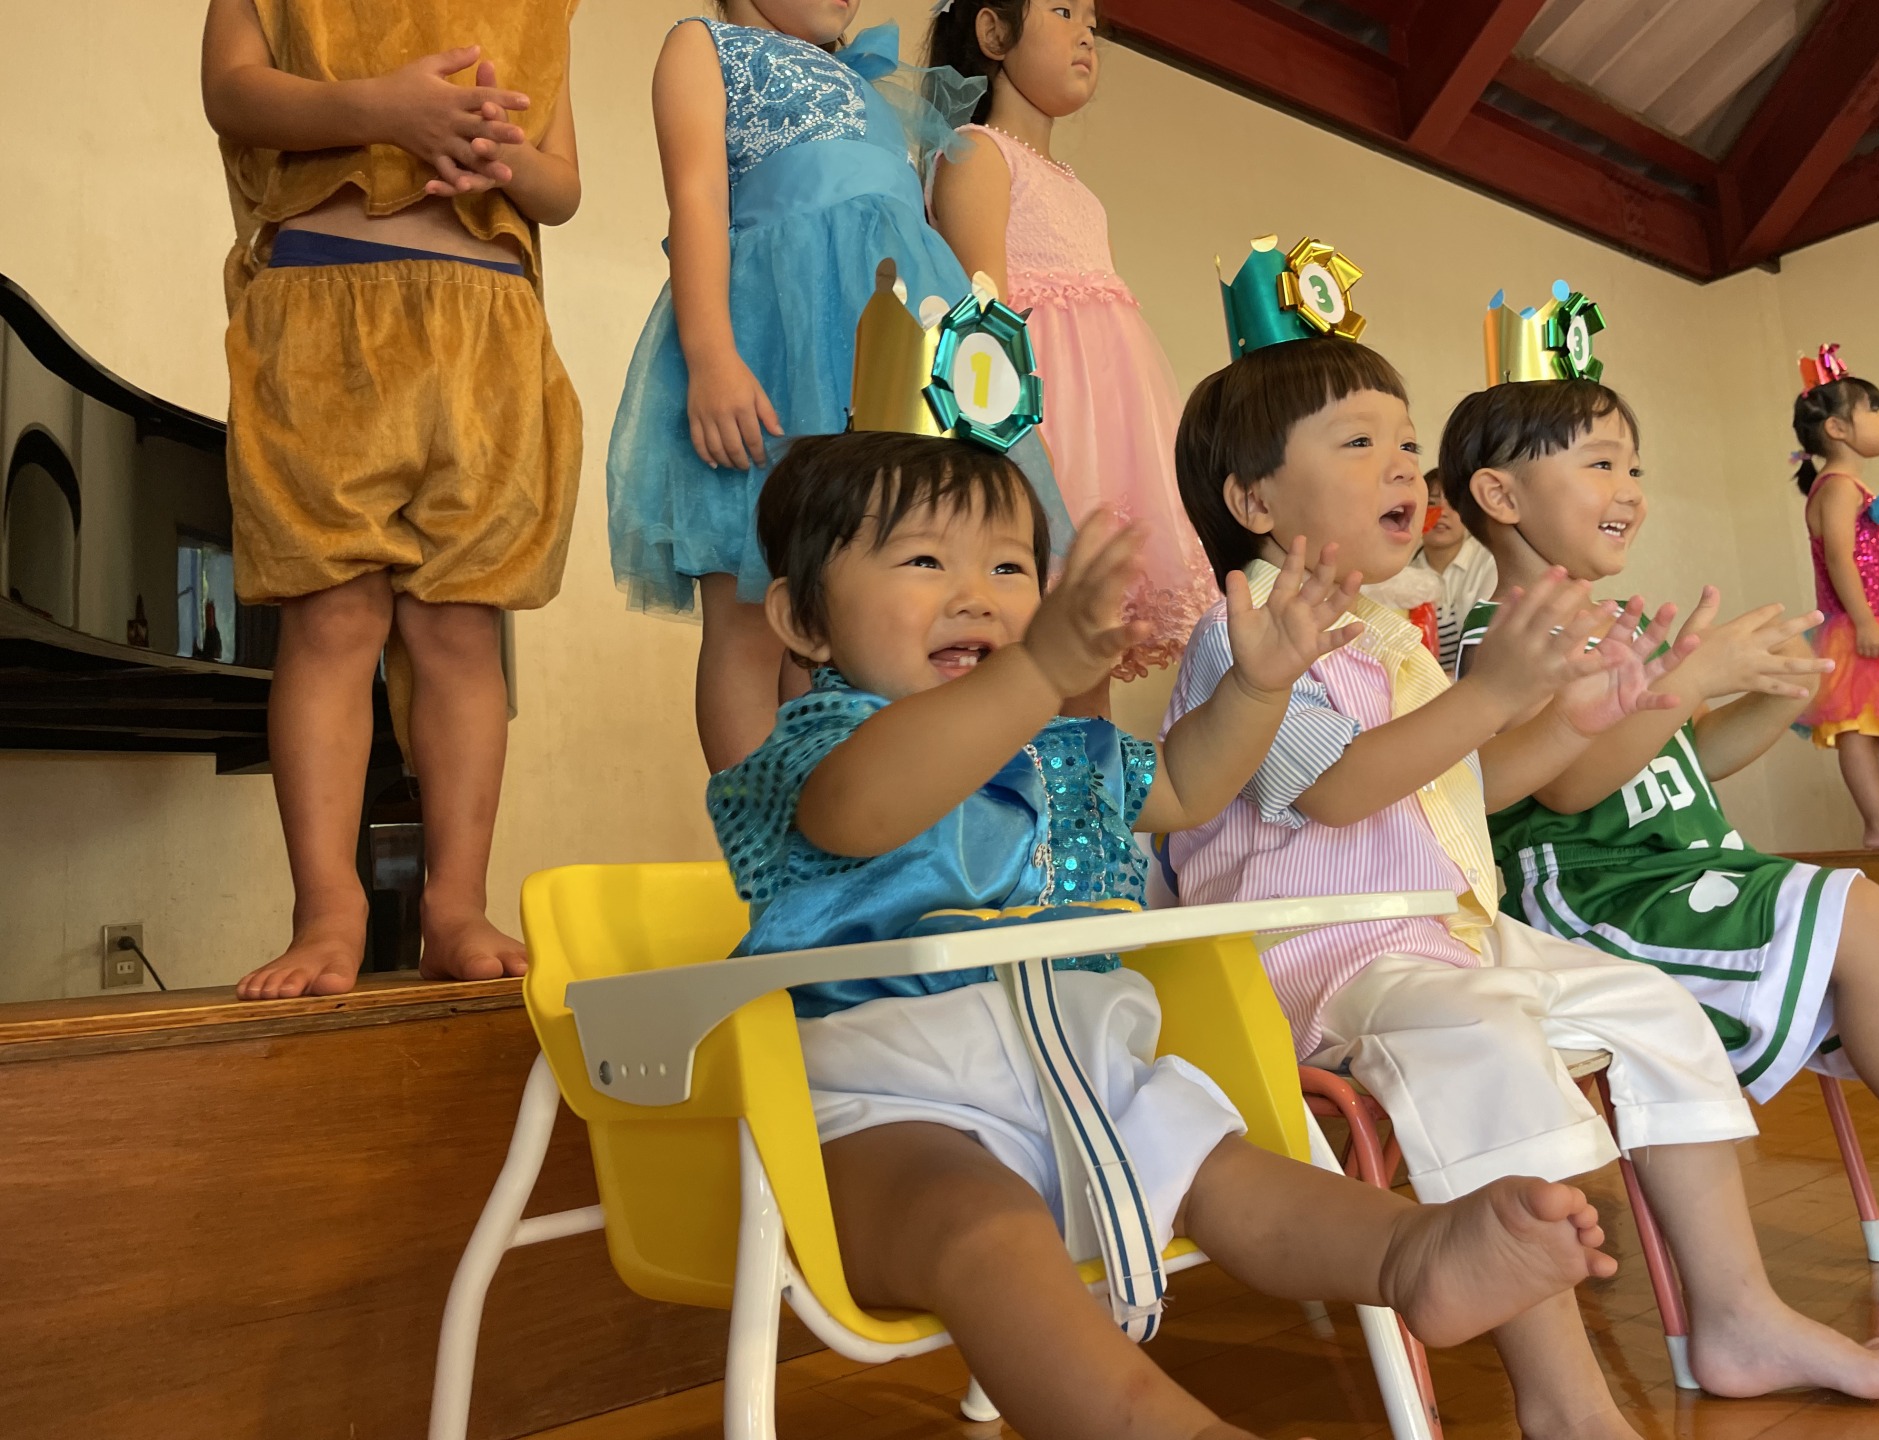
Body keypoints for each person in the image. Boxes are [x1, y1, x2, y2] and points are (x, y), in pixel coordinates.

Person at [712, 422, 1616, 1440]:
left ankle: (1412, 1257)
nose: (977, 594)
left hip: (1087, 1080)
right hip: (887, 1109)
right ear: (805, 620)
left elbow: (1186, 783)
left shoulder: (1063, 749)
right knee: (980, 1226)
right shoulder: (816, 747)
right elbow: (868, 808)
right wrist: (1033, 670)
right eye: (924, 560)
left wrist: (1258, 687)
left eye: (1010, 567)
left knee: (1231, 1170)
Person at [1165, 285, 1879, 1431]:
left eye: (1408, 443)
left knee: (1653, 1008)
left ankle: (1737, 1315)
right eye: (1360, 442)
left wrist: (1579, 716)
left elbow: (1465, 792)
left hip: (1436, 931)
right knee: (1484, 1038)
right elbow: (1331, 790)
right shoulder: (1246, 631)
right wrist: (1506, 695)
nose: (1402, 468)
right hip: (1314, 949)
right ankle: (1562, 1401)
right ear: (1253, 497)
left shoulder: (1383, 638)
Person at [203, 0, 583, 999]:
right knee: (332, 620)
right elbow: (232, 91)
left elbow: (562, 185)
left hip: (488, 332)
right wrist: (383, 109)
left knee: (462, 631)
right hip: (326, 307)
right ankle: (328, 909)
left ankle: (455, 906)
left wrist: (506, 154)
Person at [1443, 368, 1879, 1164]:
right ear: (1501, 496)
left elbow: (1692, 757)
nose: (1630, 490)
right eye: (1600, 464)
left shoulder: (1624, 626)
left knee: (1868, 931)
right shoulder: (1508, 636)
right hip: (1590, 893)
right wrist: (1690, 679)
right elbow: (1566, 786)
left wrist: (1784, 691)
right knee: (1860, 913)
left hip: (1682, 872)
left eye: (1635, 469)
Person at [606, 0, 1070, 772]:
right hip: (774, 353)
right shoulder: (705, 46)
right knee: (754, 618)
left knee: (867, 613)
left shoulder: (880, 85)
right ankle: (767, 850)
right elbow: (695, 200)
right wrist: (712, 353)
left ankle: (860, 829)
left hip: (892, 365)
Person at [926, 0, 1216, 701]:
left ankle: (1090, 807)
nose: (1088, 32)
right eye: (1062, 10)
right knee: (1033, 648)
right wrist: (1024, 448)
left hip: (1108, 438)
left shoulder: (1079, 191)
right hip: (1041, 429)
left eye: (1092, 18)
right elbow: (980, 322)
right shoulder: (976, 153)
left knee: (1092, 648)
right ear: (994, 33)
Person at [1789, 345, 1879, 845]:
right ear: (1838, 429)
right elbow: (1842, 559)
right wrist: (1864, 620)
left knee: (1869, 727)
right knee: (1855, 727)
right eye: (1874, 409)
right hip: (1857, 623)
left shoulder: (1848, 485)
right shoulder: (1838, 486)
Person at [1409, 465, 1495, 675]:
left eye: (1453, 504)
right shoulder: (1403, 576)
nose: (1442, 513)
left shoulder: (1490, 561)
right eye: (1431, 503)